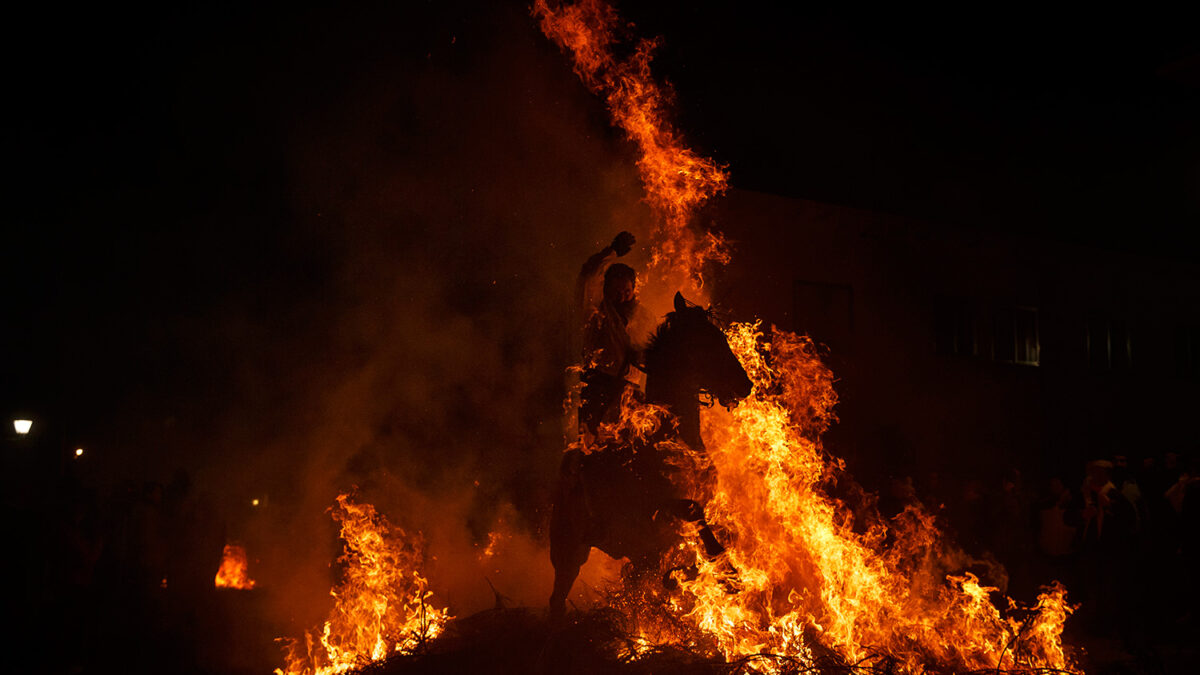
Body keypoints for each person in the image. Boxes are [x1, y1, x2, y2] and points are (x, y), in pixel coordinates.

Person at [576, 231, 642, 440]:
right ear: (606, 291)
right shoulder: (597, 311)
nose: (622, 297)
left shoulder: (643, 317)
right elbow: (588, 275)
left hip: (630, 393)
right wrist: (611, 251)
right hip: (598, 388)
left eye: (627, 292)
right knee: (591, 444)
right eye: (616, 292)